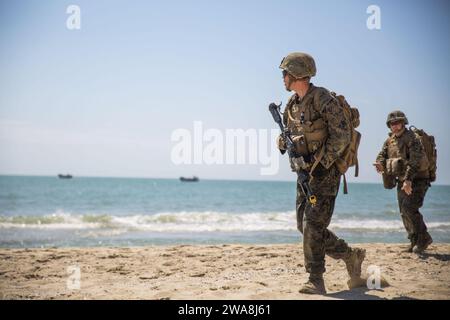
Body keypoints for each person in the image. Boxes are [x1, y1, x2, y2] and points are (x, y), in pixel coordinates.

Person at [277, 52, 366, 295]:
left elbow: (342, 136)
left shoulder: (323, 99)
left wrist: (322, 163)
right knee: (303, 226)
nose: (282, 77)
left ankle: (316, 278)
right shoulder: (292, 104)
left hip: (325, 174)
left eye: (285, 73)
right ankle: (350, 255)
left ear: (296, 73)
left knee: (313, 224)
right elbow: (289, 133)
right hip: (304, 173)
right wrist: (282, 142)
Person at [374, 110, 433, 253]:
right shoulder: (390, 140)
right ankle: (414, 240)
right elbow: (382, 154)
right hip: (402, 181)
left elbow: (415, 161)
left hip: (418, 179)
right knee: (403, 212)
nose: (395, 126)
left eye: (397, 123)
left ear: (403, 123)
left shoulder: (412, 138)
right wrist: (380, 163)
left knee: (409, 208)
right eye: (392, 124)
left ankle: (424, 238)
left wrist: (408, 180)